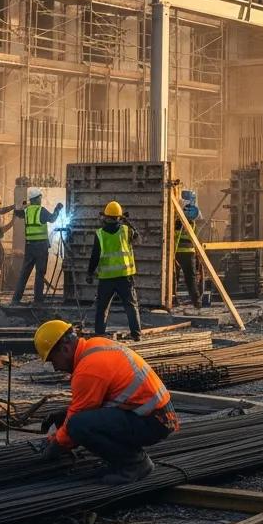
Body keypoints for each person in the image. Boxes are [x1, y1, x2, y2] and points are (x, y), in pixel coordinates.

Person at [33, 320, 178, 484]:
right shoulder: (95, 345)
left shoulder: (88, 370)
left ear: (65, 349)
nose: (55, 368)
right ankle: (123, 460)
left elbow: (77, 421)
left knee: (78, 426)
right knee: (76, 421)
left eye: (53, 360)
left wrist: (55, 446)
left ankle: (136, 464)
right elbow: (91, 406)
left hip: (153, 422)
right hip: (157, 415)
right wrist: (63, 417)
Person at [86, 200, 142, 340]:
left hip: (106, 278)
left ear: (105, 217)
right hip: (125, 277)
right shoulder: (126, 230)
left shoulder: (100, 234)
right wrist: (128, 222)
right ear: (119, 217)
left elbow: (95, 256)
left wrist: (90, 273)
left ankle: (99, 334)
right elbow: (138, 239)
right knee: (131, 306)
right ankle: (136, 335)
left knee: (102, 308)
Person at [9, 187, 64, 306]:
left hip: (29, 246)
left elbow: (17, 212)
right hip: (41, 247)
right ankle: (38, 301)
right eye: (40, 197)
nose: (41, 199)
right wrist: (57, 209)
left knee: (24, 273)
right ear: (37, 198)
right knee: (39, 274)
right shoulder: (41, 211)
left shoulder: (26, 211)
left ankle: (15, 299)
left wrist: (24, 205)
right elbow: (53, 219)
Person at [174, 189, 203, 308]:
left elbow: (175, 236)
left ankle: (174, 299)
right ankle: (196, 302)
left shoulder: (179, 219)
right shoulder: (192, 220)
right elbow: (196, 237)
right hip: (188, 253)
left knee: (175, 278)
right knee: (190, 279)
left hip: (178, 252)